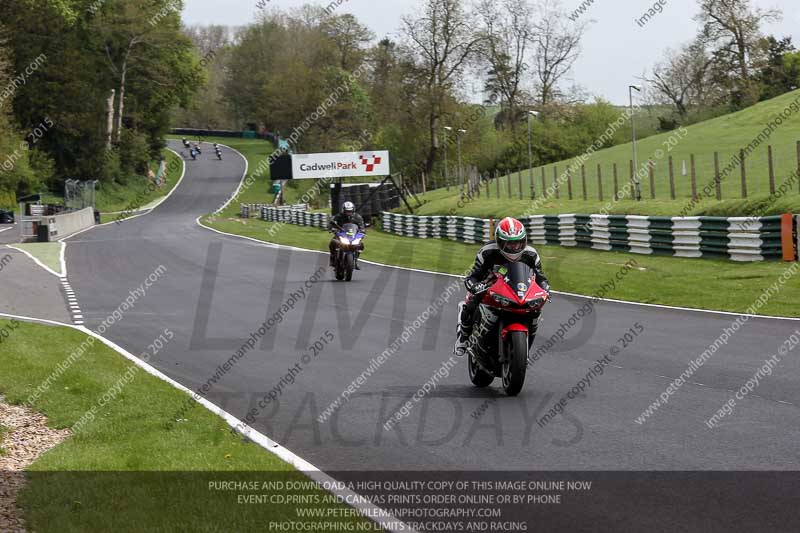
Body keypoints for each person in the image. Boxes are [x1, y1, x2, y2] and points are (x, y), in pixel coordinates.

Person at [454, 217, 550, 356]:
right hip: (490, 286)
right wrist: (475, 286)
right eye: (509, 244)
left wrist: (545, 289)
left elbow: (541, 278)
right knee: (472, 301)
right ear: (499, 241)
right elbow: (472, 276)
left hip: (519, 289)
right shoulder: (487, 252)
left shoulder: (531, 255)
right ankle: (463, 336)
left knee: (535, 310)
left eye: (518, 243)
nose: (514, 247)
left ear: (524, 240)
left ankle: (524, 348)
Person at [328, 201, 365, 268]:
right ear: (343, 210)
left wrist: (362, 231)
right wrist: (332, 228)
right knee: (332, 243)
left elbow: (362, 226)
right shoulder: (339, 216)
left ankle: (356, 260)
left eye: (350, 211)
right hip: (341, 234)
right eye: (347, 211)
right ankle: (332, 258)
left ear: (353, 210)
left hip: (352, 236)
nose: (349, 213)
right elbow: (331, 223)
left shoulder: (357, 217)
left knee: (361, 245)